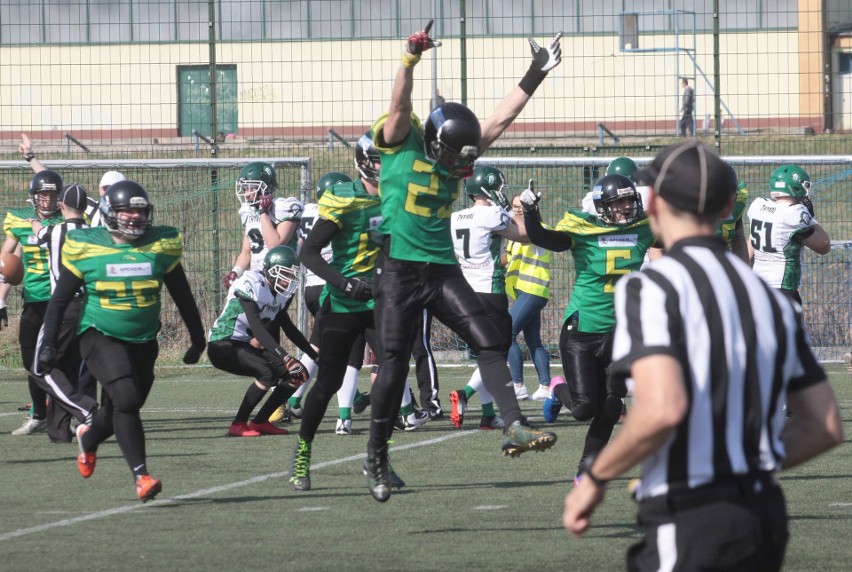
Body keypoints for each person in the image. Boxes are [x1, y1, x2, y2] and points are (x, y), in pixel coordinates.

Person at [563, 141, 843, 571]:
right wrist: (745, 465)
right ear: (729, 205)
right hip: (764, 513)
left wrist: (596, 478)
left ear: (651, 202)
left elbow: (661, 408)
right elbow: (825, 424)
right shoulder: (773, 299)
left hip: (691, 515)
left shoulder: (653, 287)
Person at [363, 21, 562, 502]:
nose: (463, 166)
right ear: (434, 145)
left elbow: (500, 120)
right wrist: (410, 58)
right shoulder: (399, 146)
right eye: (457, 156)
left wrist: (535, 73)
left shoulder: (459, 151)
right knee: (391, 366)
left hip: (440, 268)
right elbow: (399, 106)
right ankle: (376, 456)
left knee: (489, 337)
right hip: (399, 272)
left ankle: (513, 425)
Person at [37, 180, 207, 503]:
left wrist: (198, 339)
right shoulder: (87, 246)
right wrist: (49, 345)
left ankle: (89, 440)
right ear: (109, 213)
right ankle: (141, 476)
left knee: (119, 409)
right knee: (127, 400)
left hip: (143, 339)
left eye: (139, 211)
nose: (133, 218)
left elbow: (182, 295)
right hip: (99, 333)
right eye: (126, 211)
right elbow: (59, 301)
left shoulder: (160, 245)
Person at [520, 174, 656, 485]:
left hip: (620, 332)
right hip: (582, 330)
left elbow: (681, 236)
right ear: (603, 206)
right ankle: (556, 388)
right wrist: (530, 213)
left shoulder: (643, 228)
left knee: (611, 406)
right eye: (618, 202)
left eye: (628, 200)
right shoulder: (584, 228)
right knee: (584, 408)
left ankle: (587, 467)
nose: (625, 207)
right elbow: (543, 238)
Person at [289, 133, 392, 490]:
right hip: (344, 303)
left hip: (381, 302)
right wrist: (346, 283)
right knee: (329, 381)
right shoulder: (344, 198)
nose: (386, 165)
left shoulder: (398, 196)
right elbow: (308, 253)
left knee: (390, 378)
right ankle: (302, 454)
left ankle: (380, 457)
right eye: (380, 159)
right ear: (365, 162)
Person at [447, 166, 527, 430]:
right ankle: (465, 394)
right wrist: (522, 211)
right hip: (490, 291)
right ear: (487, 188)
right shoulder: (492, 213)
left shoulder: (456, 217)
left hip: (464, 294)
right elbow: (524, 235)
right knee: (495, 356)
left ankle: (487, 415)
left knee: (484, 354)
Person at [208, 245, 314, 437]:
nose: (290, 280)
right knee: (267, 373)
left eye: (292, 276)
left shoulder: (278, 294)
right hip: (222, 344)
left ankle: (260, 421)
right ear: (272, 271)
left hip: (243, 345)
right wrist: (284, 356)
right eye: (286, 274)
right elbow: (257, 328)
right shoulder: (251, 283)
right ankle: (238, 424)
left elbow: (288, 328)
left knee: (299, 374)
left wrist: (315, 355)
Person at [277, 171, 353, 424]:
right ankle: (338, 413)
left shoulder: (308, 210)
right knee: (344, 351)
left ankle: (294, 399)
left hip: (310, 286)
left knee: (319, 346)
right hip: (330, 286)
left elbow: (301, 248)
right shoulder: (338, 210)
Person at [29, 183, 98, 443]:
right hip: (90, 307)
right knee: (66, 367)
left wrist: (33, 223)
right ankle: (59, 432)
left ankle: (87, 409)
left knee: (40, 367)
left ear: (61, 205)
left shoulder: (55, 231)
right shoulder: (95, 233)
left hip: (63, 306)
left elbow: (39, 234)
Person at [1, 170, 65, 436]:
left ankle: (64, 414)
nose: (48, 200)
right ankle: (38, 414)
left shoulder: (70, 221)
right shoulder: (19, 221)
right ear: (34, 196)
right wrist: (0, 299)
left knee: (62, 359)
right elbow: (7, 262)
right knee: (31, 359)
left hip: (63, 300)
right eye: (43, 194)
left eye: (52, 194)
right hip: (34, 299)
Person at [746, 164, 831, 304]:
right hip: (782, 291)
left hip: (757, 288)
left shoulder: (758, 206)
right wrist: (811, 220)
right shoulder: (794, 214)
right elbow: (824, 246)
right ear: (796, 186)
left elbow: (749, 249)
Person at [222, 162, 303, 289]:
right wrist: (235, 273)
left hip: (279, 276)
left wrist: (264, 213)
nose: (247, 193)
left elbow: (275, 246)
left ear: (266, 187)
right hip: (257, 277)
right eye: (245, 188)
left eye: (252, 188)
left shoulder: (282, 207)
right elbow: (246, 252)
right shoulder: (247, 211)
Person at [504, 193, 552, 401]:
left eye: (522, 206)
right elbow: (506, 259)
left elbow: (533, 236)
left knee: (506, 333)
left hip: (533, 290)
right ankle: (546, 386)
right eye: (514, 206)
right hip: (523, 291)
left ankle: (518, 384)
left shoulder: (539, 229)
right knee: (533, 340)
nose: (517, 209)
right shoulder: (514, 234)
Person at [19, 133, 125, 226]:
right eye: (106, 188)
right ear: (100, 189)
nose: (110, 193)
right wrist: (30, 157)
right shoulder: (90, 207)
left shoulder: (132, 213)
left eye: (116, 190)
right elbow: (52, 182)